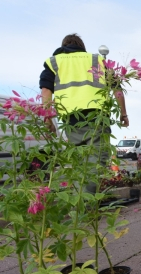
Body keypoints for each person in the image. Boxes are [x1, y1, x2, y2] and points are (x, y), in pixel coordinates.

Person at [39, 33, 128, 193]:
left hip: (70, 119)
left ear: (64, 46)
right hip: (97, 119)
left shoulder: (54, 62)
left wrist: (48, 119)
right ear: (82, 47)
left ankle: (80, 204)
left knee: (79, 163)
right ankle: (84, 205)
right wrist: (123, 114)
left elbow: (46, 90)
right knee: (95, 163)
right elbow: (117, 88)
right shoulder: (97, 60)